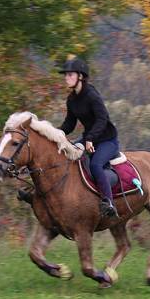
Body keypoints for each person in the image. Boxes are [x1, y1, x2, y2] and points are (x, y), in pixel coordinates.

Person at [58, 55, 120, 217]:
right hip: (89, 139)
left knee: (95, 165)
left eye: (70, 74)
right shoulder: (71, 100)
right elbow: (69, 124)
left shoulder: (91, 95)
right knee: (66, 156)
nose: (66, 78)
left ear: (80, 76)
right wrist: (54, 134)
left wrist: (90, 138)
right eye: (66, 75)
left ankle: (109, 202)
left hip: (107, 140)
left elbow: (102, 119)